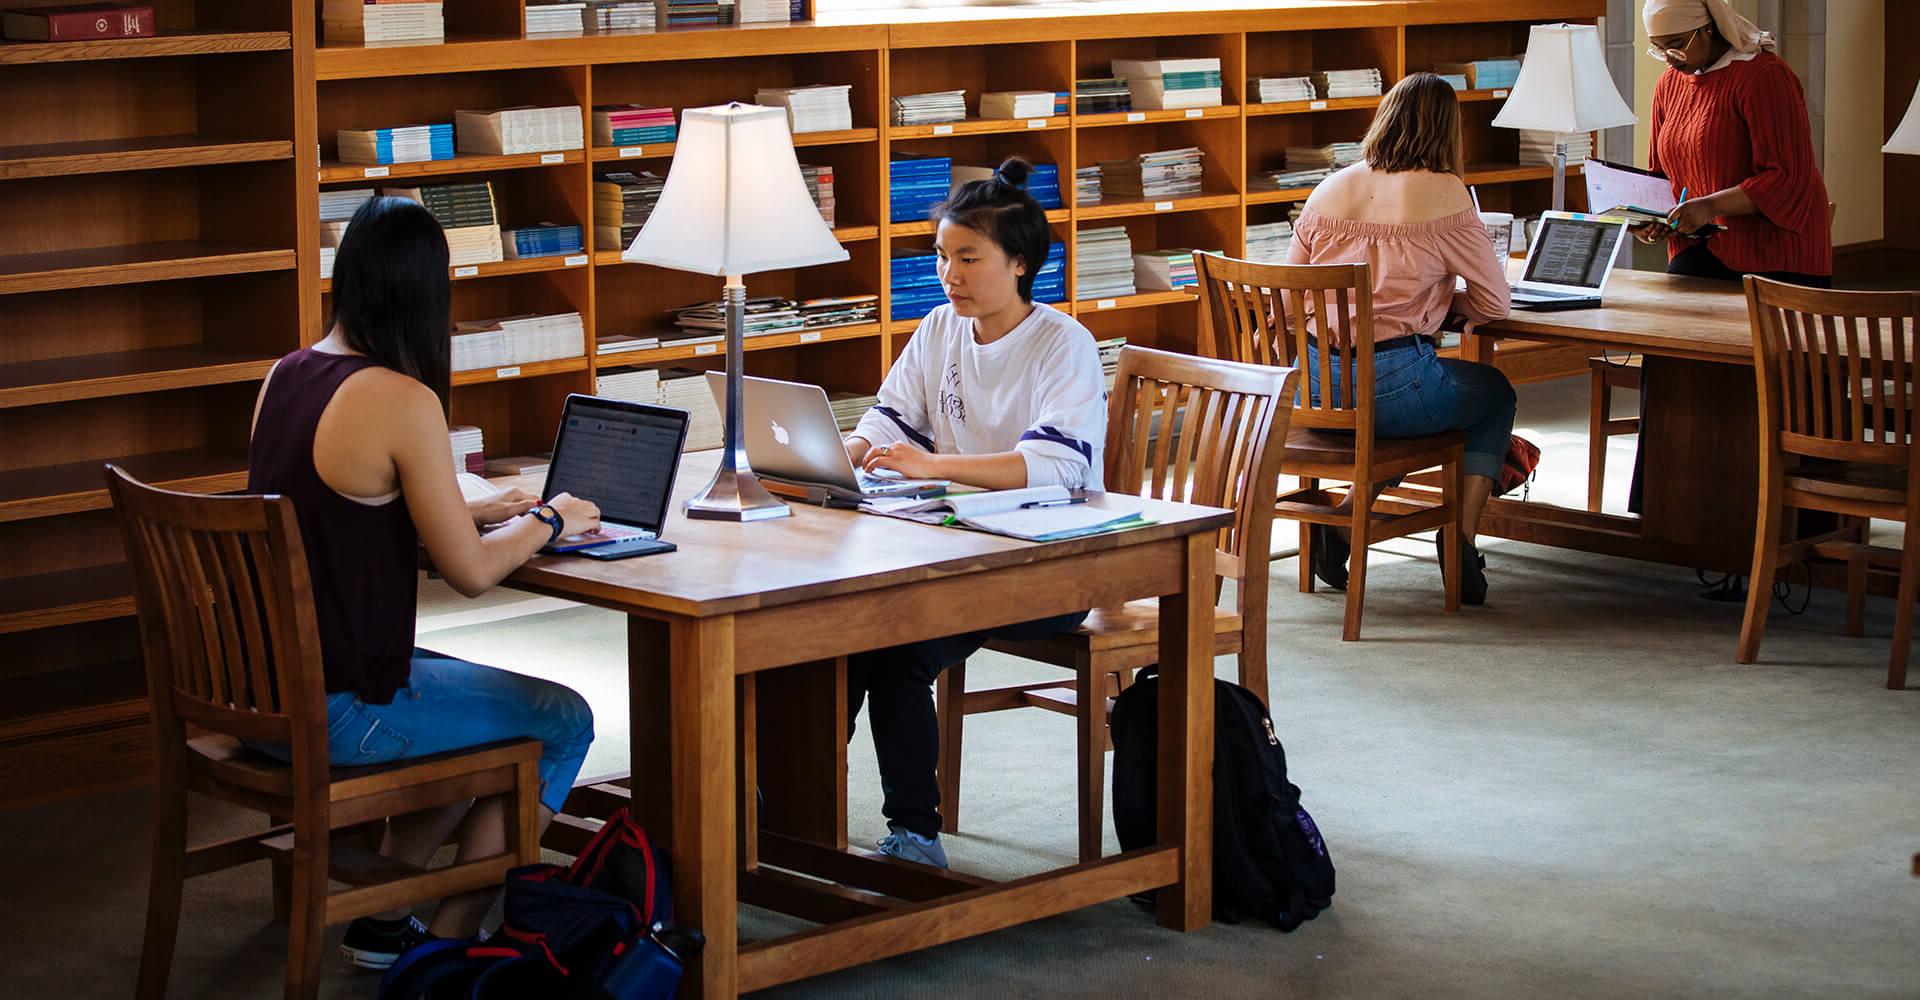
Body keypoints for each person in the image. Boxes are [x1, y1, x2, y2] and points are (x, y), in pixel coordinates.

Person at [246, 196, 602, 968]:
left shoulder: (286, 374)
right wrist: (550, 519)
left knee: (470, 708)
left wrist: (485, 505)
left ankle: (385, 919)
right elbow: (470, 573)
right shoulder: (401, 399)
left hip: (261, 697)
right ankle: (447, 944)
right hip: (339, 708)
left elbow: (335, 515)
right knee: (563, 719)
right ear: (423, 292)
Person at [843, 157, 1106, 868]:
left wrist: (936, 467)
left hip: (1052, 566)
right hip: (959, 550)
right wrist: (854, 445)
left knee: (894, 650)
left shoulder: (1064, 344)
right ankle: (785, 807)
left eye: (968, 258)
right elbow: (893, 415)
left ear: (1020, 264)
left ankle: (916, 839)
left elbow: (1058, 465)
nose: (949, 275)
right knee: (832, 639)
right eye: (941, 257)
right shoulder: (938, 327)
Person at [1284, 72, 1514, 605]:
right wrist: (1443, 307)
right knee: (1492, 396)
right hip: (1392, 388)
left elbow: (1293, 290)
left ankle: (1343, 523)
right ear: (1447, 131)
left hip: (1316, 388)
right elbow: (1496, 304)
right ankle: (1460, 535)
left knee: (1402, 417)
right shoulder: (1444, 192)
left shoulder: (1332, 186)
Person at [1635, 0, 1831, 287]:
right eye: (1658, 48)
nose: (1669, 58)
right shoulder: (1669, 84)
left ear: (1709, 28)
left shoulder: (1764, 75)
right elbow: (1661, 175)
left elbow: (1787, 177)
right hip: (1697, 246)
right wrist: (1646, 218)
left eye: (1676, 45)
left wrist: (1708, 206)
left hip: (1773, 254)